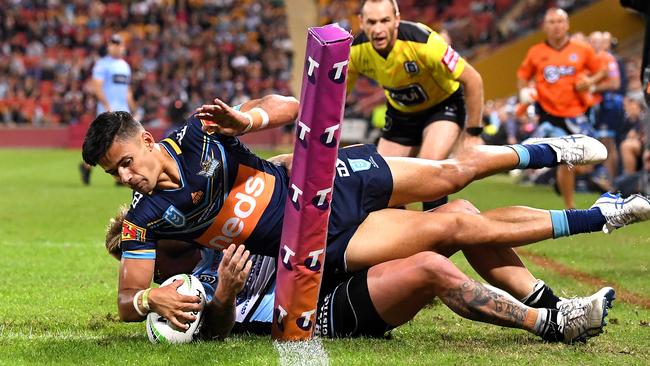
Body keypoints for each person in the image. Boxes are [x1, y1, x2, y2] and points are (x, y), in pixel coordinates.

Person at [81, 94, 650, 330]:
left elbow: (292, 104)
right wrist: (146, 297)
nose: (126, 178)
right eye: (115, 175)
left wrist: (247, 122)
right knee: (455, 222)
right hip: (318, 242)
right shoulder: (144, 219)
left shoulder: (199, 130)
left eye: (127, 162)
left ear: (149, 139)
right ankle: (604, 216)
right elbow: (128, 299)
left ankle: (553, 150)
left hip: (323, 180)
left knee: (453, 175)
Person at [104, 205, 615, 344]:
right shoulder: (179, 290)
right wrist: (227, 299)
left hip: (331, 263)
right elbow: (211, 332)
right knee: (432, 267)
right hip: (316, 311)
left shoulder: (210, 230)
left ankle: (548, 300)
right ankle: (551, 324)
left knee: (457, 212)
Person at [347, 0, 485, 210]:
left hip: (442, 106)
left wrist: (473, 133)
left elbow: (473, 79)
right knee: (381, 178)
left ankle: (440, 238)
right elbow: (336, 97)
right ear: (361, 23)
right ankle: (403, 234)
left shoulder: (425, 42)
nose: (378, 29)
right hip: (401, 114)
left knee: (430, 170)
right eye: (372, 22)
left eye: (385, 21)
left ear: (397, 20)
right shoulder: (355, 50)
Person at [517, 8, 607, 208]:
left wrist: (590, 82)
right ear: (545, 27)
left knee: (587, 161)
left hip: (577, 114)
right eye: (551, 22)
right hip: (549, 114)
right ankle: (570, 206)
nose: (556, 26)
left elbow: (601, 70)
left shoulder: (582, 49)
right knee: (565, 159)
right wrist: (525, 93)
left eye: (560, 21)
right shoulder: (536, 52)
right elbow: (523, 77)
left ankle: (562, 181)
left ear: (567, 25)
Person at [80, 34, 137, 185]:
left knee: (123, 142)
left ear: (123, 46)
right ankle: (86, 167)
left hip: (123, 110)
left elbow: (127, 90)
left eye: (118, 44)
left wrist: (133, 107)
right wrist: (106, 105)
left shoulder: (125, 66)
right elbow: (96, 86)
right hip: (108, 110)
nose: (115, 46)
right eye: (113, 43)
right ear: (108, 46)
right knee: (103, 143)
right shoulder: (102, 64)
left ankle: (120, 174)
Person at [588, 31, 624, 190]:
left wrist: (593, 87)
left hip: (610, 104)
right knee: (603, 142)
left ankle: (611, 182)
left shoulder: (608, 59)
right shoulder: (594, 58)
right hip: (601, 105)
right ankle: (607, 180)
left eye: (598, 41)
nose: (594, 44)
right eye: (592, 41)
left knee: (607, 144)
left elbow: (615, 83)